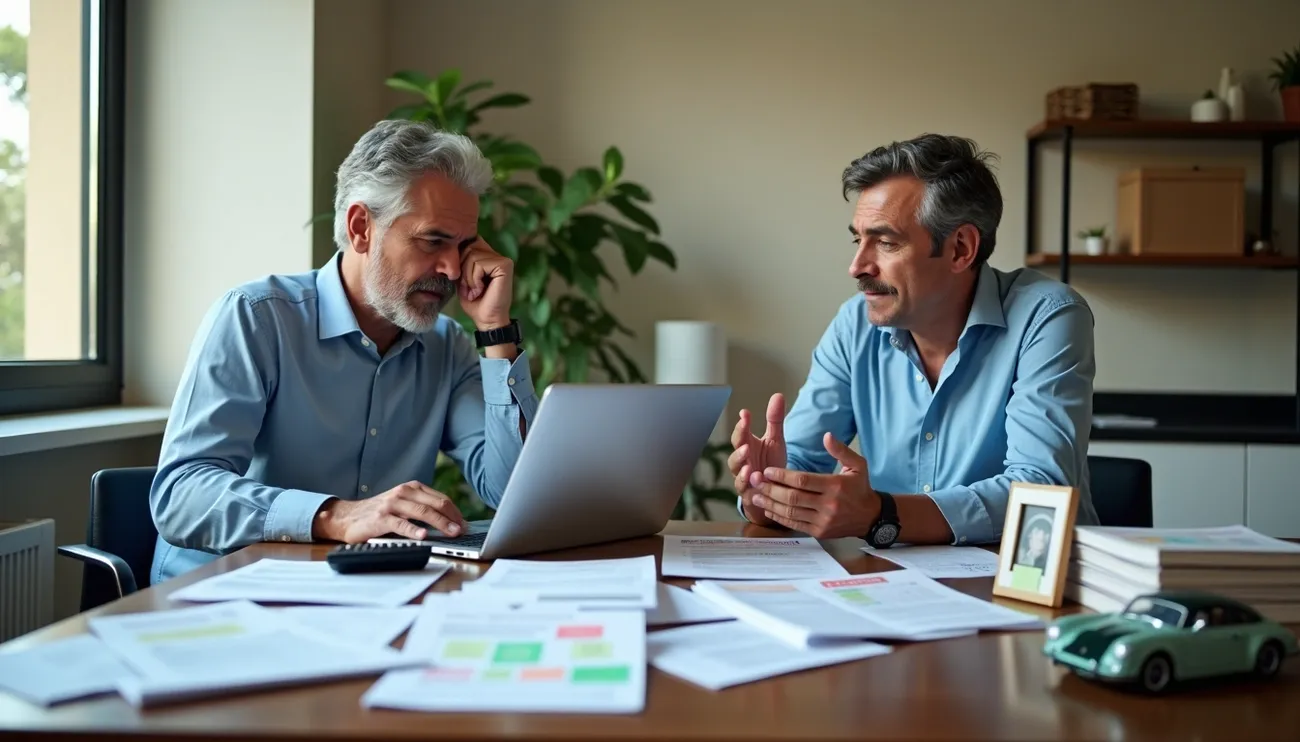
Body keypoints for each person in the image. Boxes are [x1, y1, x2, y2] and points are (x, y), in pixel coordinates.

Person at [148, 119, 538, 583]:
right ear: (360, 228)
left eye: (464, 246)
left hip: (364, 597)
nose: (453, 269)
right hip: (223, 597)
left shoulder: (447, 346)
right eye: (433, 240)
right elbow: (181, 496)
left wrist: (495, 329)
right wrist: (336, 516)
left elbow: (512, 492)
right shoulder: (256, 318)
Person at [729, 133, 1099, 547]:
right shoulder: (856, 324)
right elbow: (797, 460)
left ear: (960, 248)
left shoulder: (1046, 316)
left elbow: (1041, 492)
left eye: (886, 242)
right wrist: (765, 488)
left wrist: (881, 514)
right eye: (858, 239)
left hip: (1031, 584)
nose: (857, 266)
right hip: (895, 585)